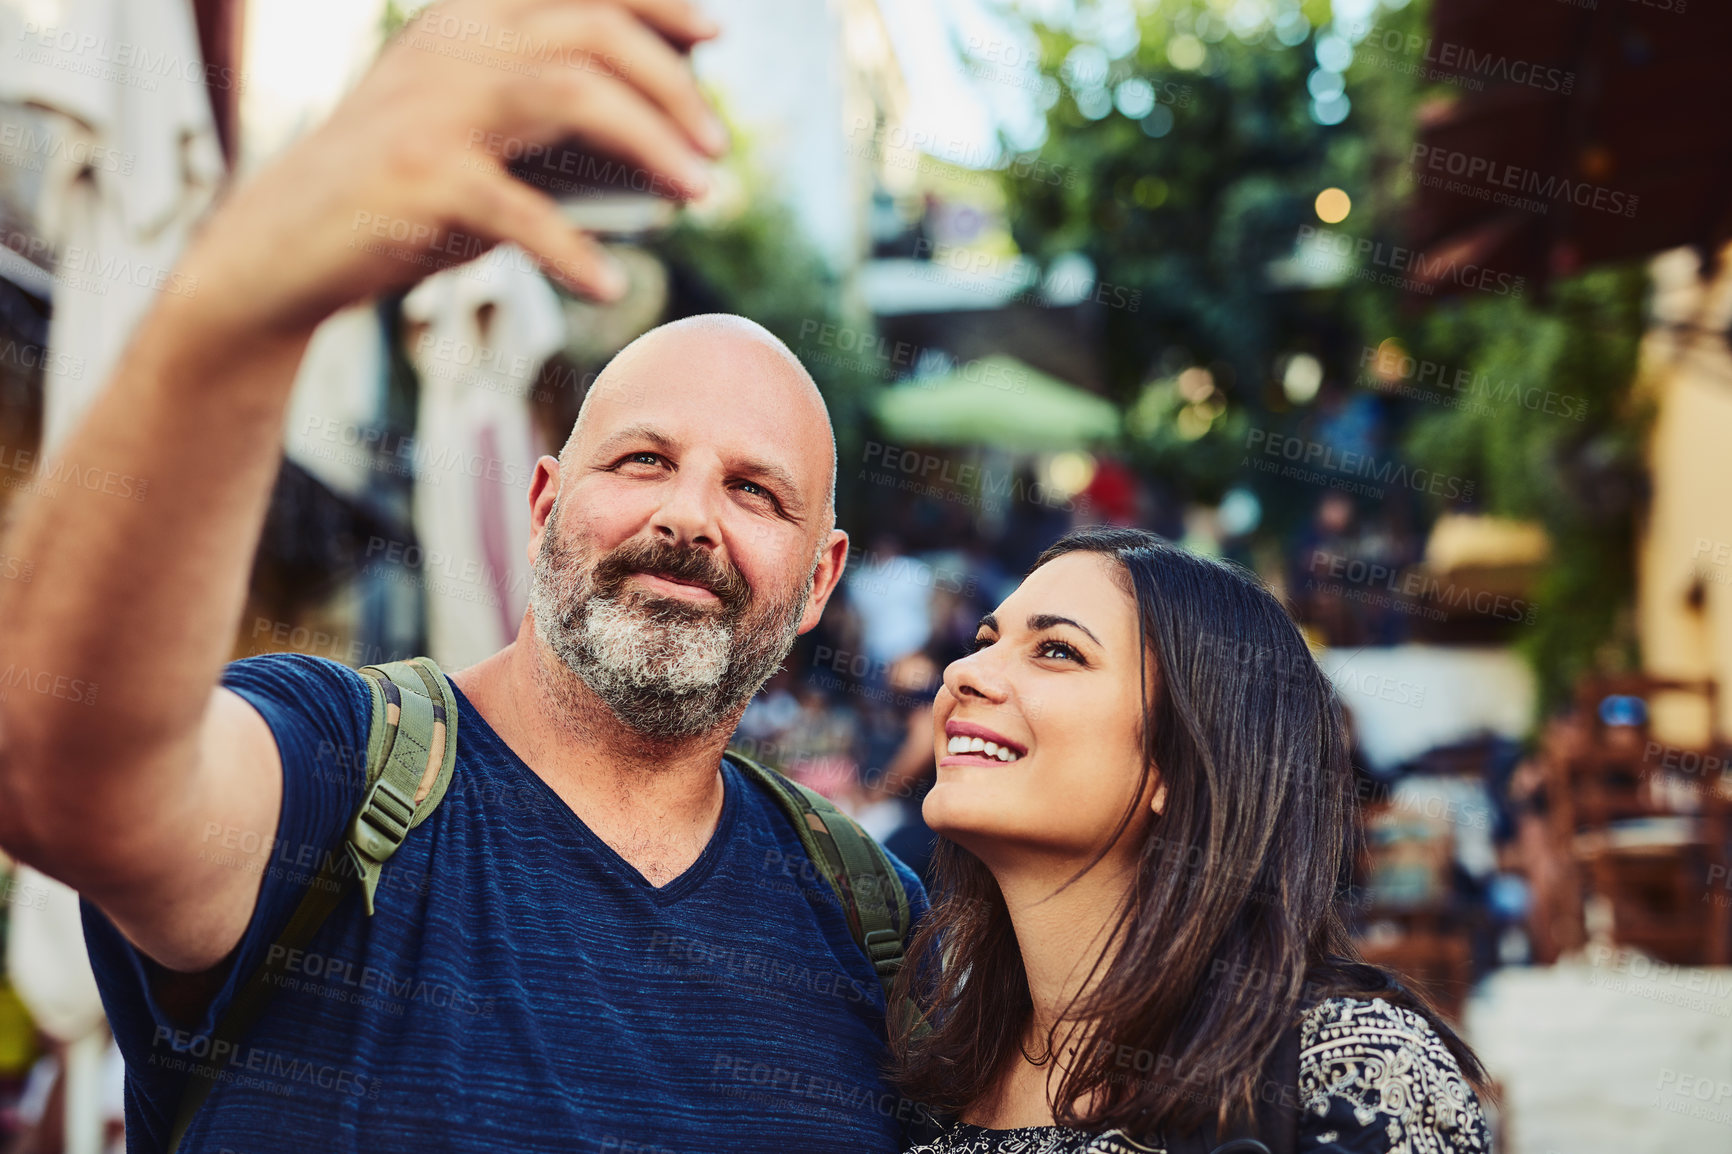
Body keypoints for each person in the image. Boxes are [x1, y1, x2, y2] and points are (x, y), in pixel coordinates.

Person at [0, 2, 929, 1150]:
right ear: (542, 508)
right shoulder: (333, 771)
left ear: (822, 576)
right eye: (641, 460)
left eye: (755, 491)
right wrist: (244, 294)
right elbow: (56, 770)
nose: (688, 514)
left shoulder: (877, 929)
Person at [894, 527, 1491, 1153]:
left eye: (1057, 651)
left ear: (1185, 763)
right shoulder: (925, 1081)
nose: (964, 671)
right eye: (984, 641)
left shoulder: (1347, 1076)